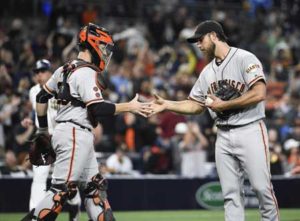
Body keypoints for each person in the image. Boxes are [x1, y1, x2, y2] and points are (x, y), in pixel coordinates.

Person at [149, 20, 279, 221]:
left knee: (262, 188)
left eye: (200, 40)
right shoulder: (207, 72)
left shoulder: (244, 58)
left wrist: (224, 105)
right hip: (223, 135)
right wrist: (167, 104)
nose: (198, 45)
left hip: (250, 129)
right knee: (230, 195)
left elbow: (260, 93)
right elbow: (195, 105)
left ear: (213, 36)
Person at [21, 23, 149, 221]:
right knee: (61, 191)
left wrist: (43, 130)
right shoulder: (87, 72)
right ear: (94, 45)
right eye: (104, 48)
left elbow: (41, 98)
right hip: (75, 134)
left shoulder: (63, 69)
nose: (106, 54)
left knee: (94, 189)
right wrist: (129, 106)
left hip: (74, 133)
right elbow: (97, 108)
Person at [22, 59, 81, 220]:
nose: (39, 75)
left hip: (62, 139)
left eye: (42, 71)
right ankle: (35, 213)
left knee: (67, 182)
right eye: (37, 72)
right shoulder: (33, 91)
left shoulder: (62, 89)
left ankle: (74, 205)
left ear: (50, 72)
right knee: (39, 177)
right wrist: (29, 119)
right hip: (43, 139)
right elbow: (37, 112)